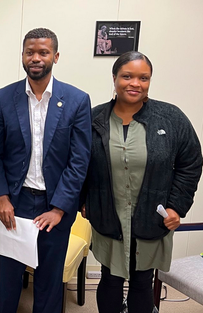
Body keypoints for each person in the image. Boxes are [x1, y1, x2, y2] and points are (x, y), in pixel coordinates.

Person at [82, 51, 203, 313]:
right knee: (110, 279)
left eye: (143, 78)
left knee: (141, 282)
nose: (135, 83)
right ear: (114, 78)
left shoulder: (170, 118)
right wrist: (83, 201)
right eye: (127, 76)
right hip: (108, 216)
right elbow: (78, 162)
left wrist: (176, 207)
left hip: (152, 217)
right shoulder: (93, 119)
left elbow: (191, 163)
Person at [0, 28, 92, 313]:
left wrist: (59, 209)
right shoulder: (4, 98)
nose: (36, 58)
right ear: (22, 56)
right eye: (30, 52)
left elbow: (79, 160)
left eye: (43, 52)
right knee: (7, 283)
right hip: (14, 204)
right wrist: (2, 198)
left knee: (49, 284)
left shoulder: (77, 100)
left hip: (54, 206)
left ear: (55, 56)